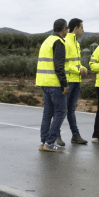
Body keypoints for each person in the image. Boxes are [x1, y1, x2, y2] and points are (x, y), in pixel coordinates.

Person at [36, 19, 69, 152]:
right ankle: (50, 143)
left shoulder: (47, 41)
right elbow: (59, 66)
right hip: (54, 83)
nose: (67, 31)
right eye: (67, 29)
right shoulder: (58, 42)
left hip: (44, 82)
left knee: (47, 113)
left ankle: (43, 142)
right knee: (61, 112)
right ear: (64, 29)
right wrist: (64, 84)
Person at [56, 18, 89, 146]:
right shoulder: (66, 42)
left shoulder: (76, 43)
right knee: (62, 110)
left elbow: (76, 63)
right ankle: (56, 135)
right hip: (68, 82)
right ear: (76, 28)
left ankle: (75, 135)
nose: (83, 30)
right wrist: (78, 70)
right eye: (82, 28)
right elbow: (64, 64)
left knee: (70, 110)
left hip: (76, 81)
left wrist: (83, 68)